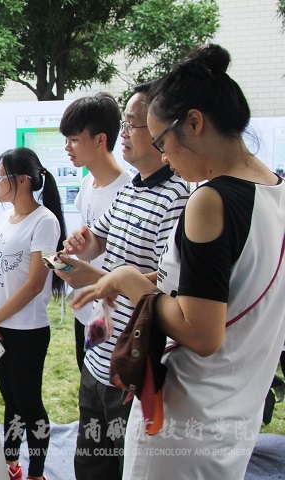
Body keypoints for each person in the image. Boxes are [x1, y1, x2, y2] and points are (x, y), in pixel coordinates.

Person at [70, 44, 285, 480]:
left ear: (194, 123)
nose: (165, 155)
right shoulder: (274, 190)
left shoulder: (209, 200)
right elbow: (216, 285)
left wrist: (129, 280)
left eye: (163, 140)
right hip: (234, 411)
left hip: (184, 416)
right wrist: (142, 278)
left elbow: (202, 333)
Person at [56, 81, 189, 479]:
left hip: (133, 360)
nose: (124, 133)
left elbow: (167, 282)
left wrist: (98, 278)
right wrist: (81, 244)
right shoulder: (131, 187)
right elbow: (100, 239)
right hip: (99, 351)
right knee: (90, 460)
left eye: (133, 124)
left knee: (123, 463)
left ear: (163, 130)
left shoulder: (178, 197)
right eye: (126, 123)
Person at [0, 148, 66, 480]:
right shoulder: (5, 217)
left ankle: (36, 473)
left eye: (0, 176)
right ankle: (11, 463)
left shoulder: (44, 221)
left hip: (27, 331)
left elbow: (34, 285)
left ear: (23, 180)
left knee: (29, 405)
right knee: (11, 401)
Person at [59, 93, 132, 371]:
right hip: (86, 303)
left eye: (75, 140)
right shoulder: (88, 182)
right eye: (67, 140)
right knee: (87, 376)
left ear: (101, 140)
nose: (68, 147)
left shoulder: (128, 190)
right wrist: (75, 241)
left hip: (117, 312)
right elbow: (88, 235)